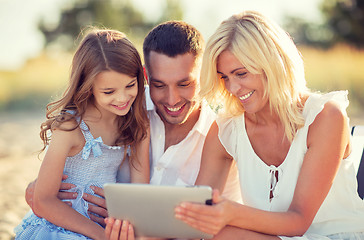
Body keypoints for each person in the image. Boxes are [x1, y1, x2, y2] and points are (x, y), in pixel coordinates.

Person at [173, 11, 364, 240]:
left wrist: (231, 213)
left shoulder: (325, 117)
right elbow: (197, 214)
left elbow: (299, 221)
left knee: (225, 236)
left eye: (241, 74)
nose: (232, 88)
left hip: (331, 237)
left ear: (272, 64)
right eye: (223, 77)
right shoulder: (227, 129)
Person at [15, 29, 150, 240]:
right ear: (88, 86)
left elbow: (141, 192)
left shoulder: (137, 123)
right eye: (109, 91)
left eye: (130, 85)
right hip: (60, 229)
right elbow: (43, 200)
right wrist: (101, 235)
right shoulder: (71, 127)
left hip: (105, 229)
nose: (123, 97)